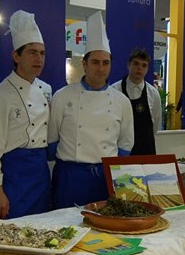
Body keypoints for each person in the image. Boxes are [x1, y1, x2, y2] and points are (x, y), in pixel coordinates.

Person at [48, 11, 134, 209]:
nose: (100, 68)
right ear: (84, 64)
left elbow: (126, 144)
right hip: (70, 177)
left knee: (104, 233)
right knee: (64, 228)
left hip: (105, 178)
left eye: (106, 63)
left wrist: (113, 173)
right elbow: (52, 142)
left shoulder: (122, 102)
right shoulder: (62, 96)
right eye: (95, 62)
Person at [0, 10, 53, 219]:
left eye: (42, 53)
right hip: (13, 174)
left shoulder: (46, 89)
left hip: (39, 172)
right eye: (31, 52)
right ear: (16, 56)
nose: (38, 58)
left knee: (42, 228)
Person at [111, 48, 162, 155]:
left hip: (146, 151)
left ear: (147, 69)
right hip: (120, 152)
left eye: (144, 65)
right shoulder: (114, 91)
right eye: (136, 64)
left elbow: (155, 125)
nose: (140, 68)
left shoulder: (153, 94)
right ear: (128, 65)